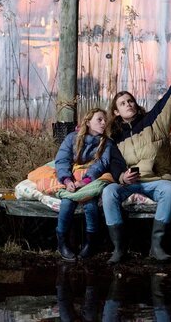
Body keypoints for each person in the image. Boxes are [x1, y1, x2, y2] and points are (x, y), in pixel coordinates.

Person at [102, 69, 171, 264]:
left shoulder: (153, 122)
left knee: (170, 188)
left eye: (130, 101)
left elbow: (167, 105)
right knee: (109, 192)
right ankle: (118, 248)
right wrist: (122, 177)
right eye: (122, 103)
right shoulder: (114, 138)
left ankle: (156, 246)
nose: (128, 105)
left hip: (155, 181)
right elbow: (114, 164)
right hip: (130, 184)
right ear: (116, 112)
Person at [54, 108, 126, 262]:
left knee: (90, 204)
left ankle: (90, 243)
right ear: (88, 122)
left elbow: (102, 163)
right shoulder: (72, 138)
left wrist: (85, 181)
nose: (104, 123)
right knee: (66, 203)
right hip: (73, 176)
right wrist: (67, 180)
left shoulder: (106, 143)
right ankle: (62, 242)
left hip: (92, 180)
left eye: (105, 120)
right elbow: (62, 160)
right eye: (99, 119)